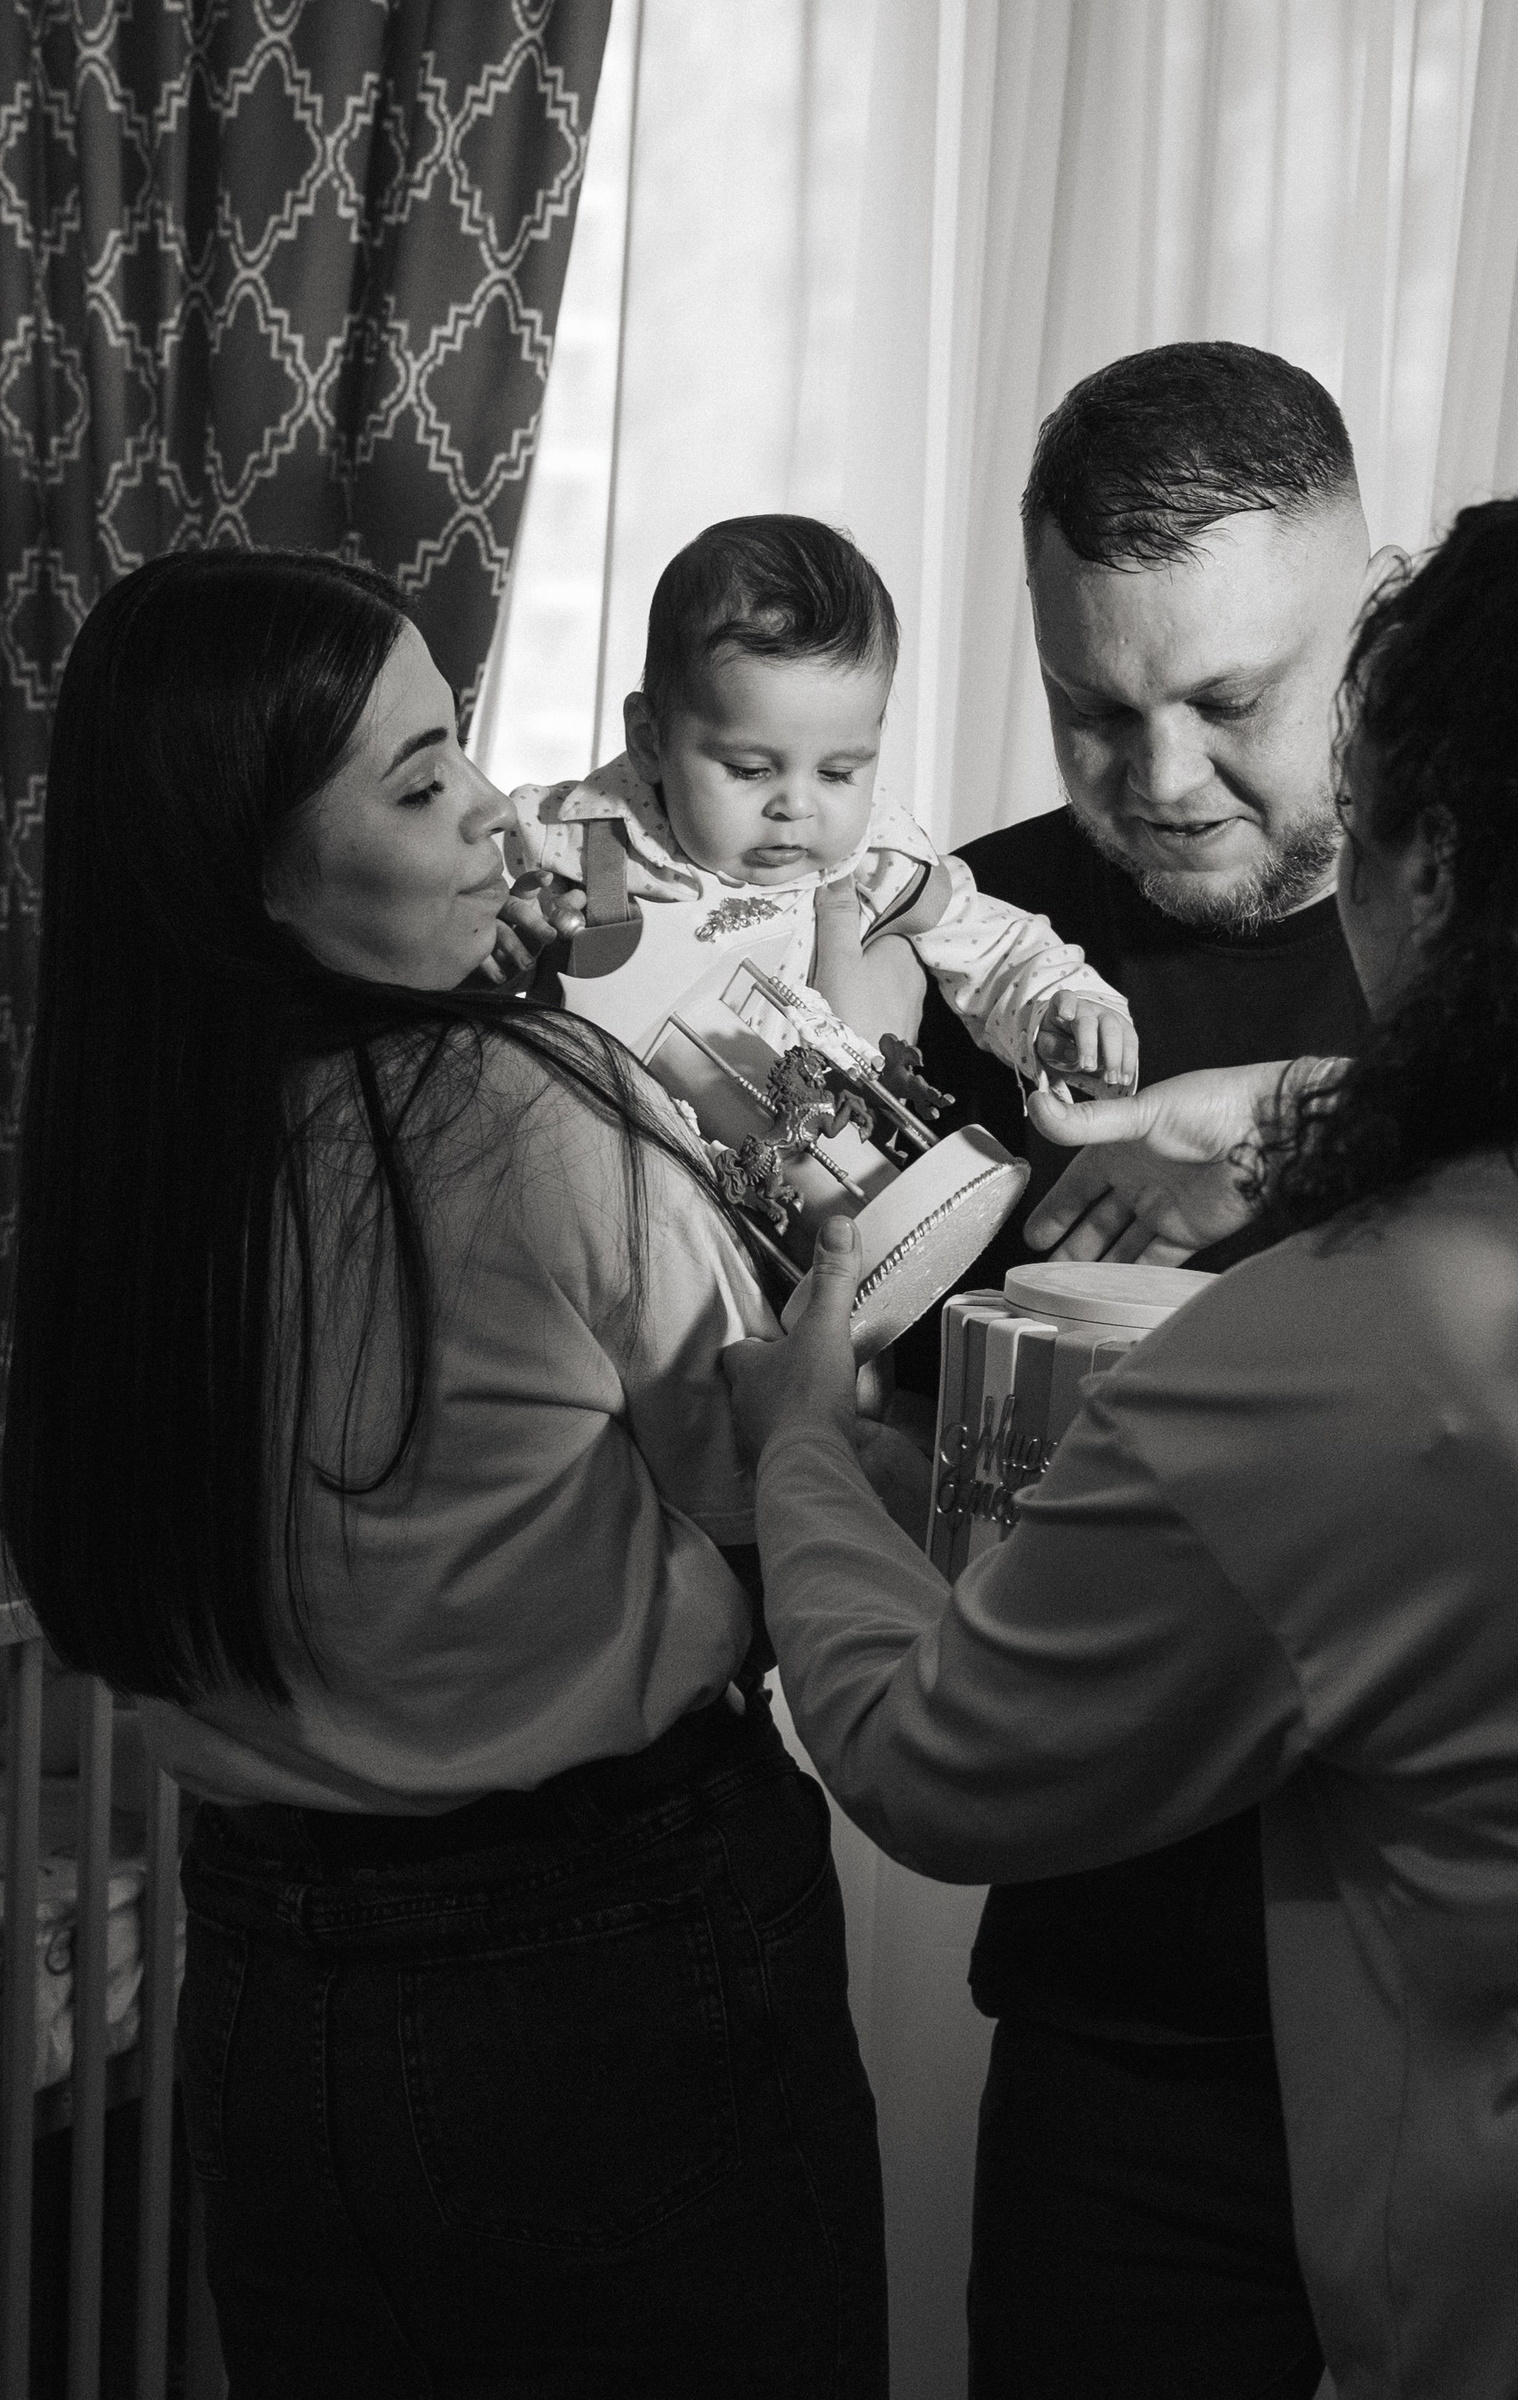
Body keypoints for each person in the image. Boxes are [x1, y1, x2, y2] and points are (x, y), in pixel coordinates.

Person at [723, 428, 1518, 2399]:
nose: (1169, 774)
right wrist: (1278, 1112)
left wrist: (795, 1439)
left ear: (1427, 862)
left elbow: (940, 1760)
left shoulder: (1334, 1345)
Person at [0, 550, 886, 2398]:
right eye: (419, 789)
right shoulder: (530, 1108)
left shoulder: (118, 1165)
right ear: (254, 872)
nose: (499, 811)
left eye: (460, 750)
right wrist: (818, 1390)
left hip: (267, 1984)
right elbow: (745, 1490)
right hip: (604, 1962)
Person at [896, 340, 1393, 2400]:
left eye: (1232, 702)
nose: (1164, 778)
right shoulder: (973, 944)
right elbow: (893, 1437)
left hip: (1504, 2001)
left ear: (1362, 620)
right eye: (1095, 710)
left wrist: (1293, 1143)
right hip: (1124, 2013)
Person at [504, 513, 1137, 1093]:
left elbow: (996, 949)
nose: (796, 807)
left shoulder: (878, 864)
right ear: (650, 741)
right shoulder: (585, 843)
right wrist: (510, 951)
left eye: (838, 772)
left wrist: (1064, 1010)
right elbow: (478, 955)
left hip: (818, 1157)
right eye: (750, 770)